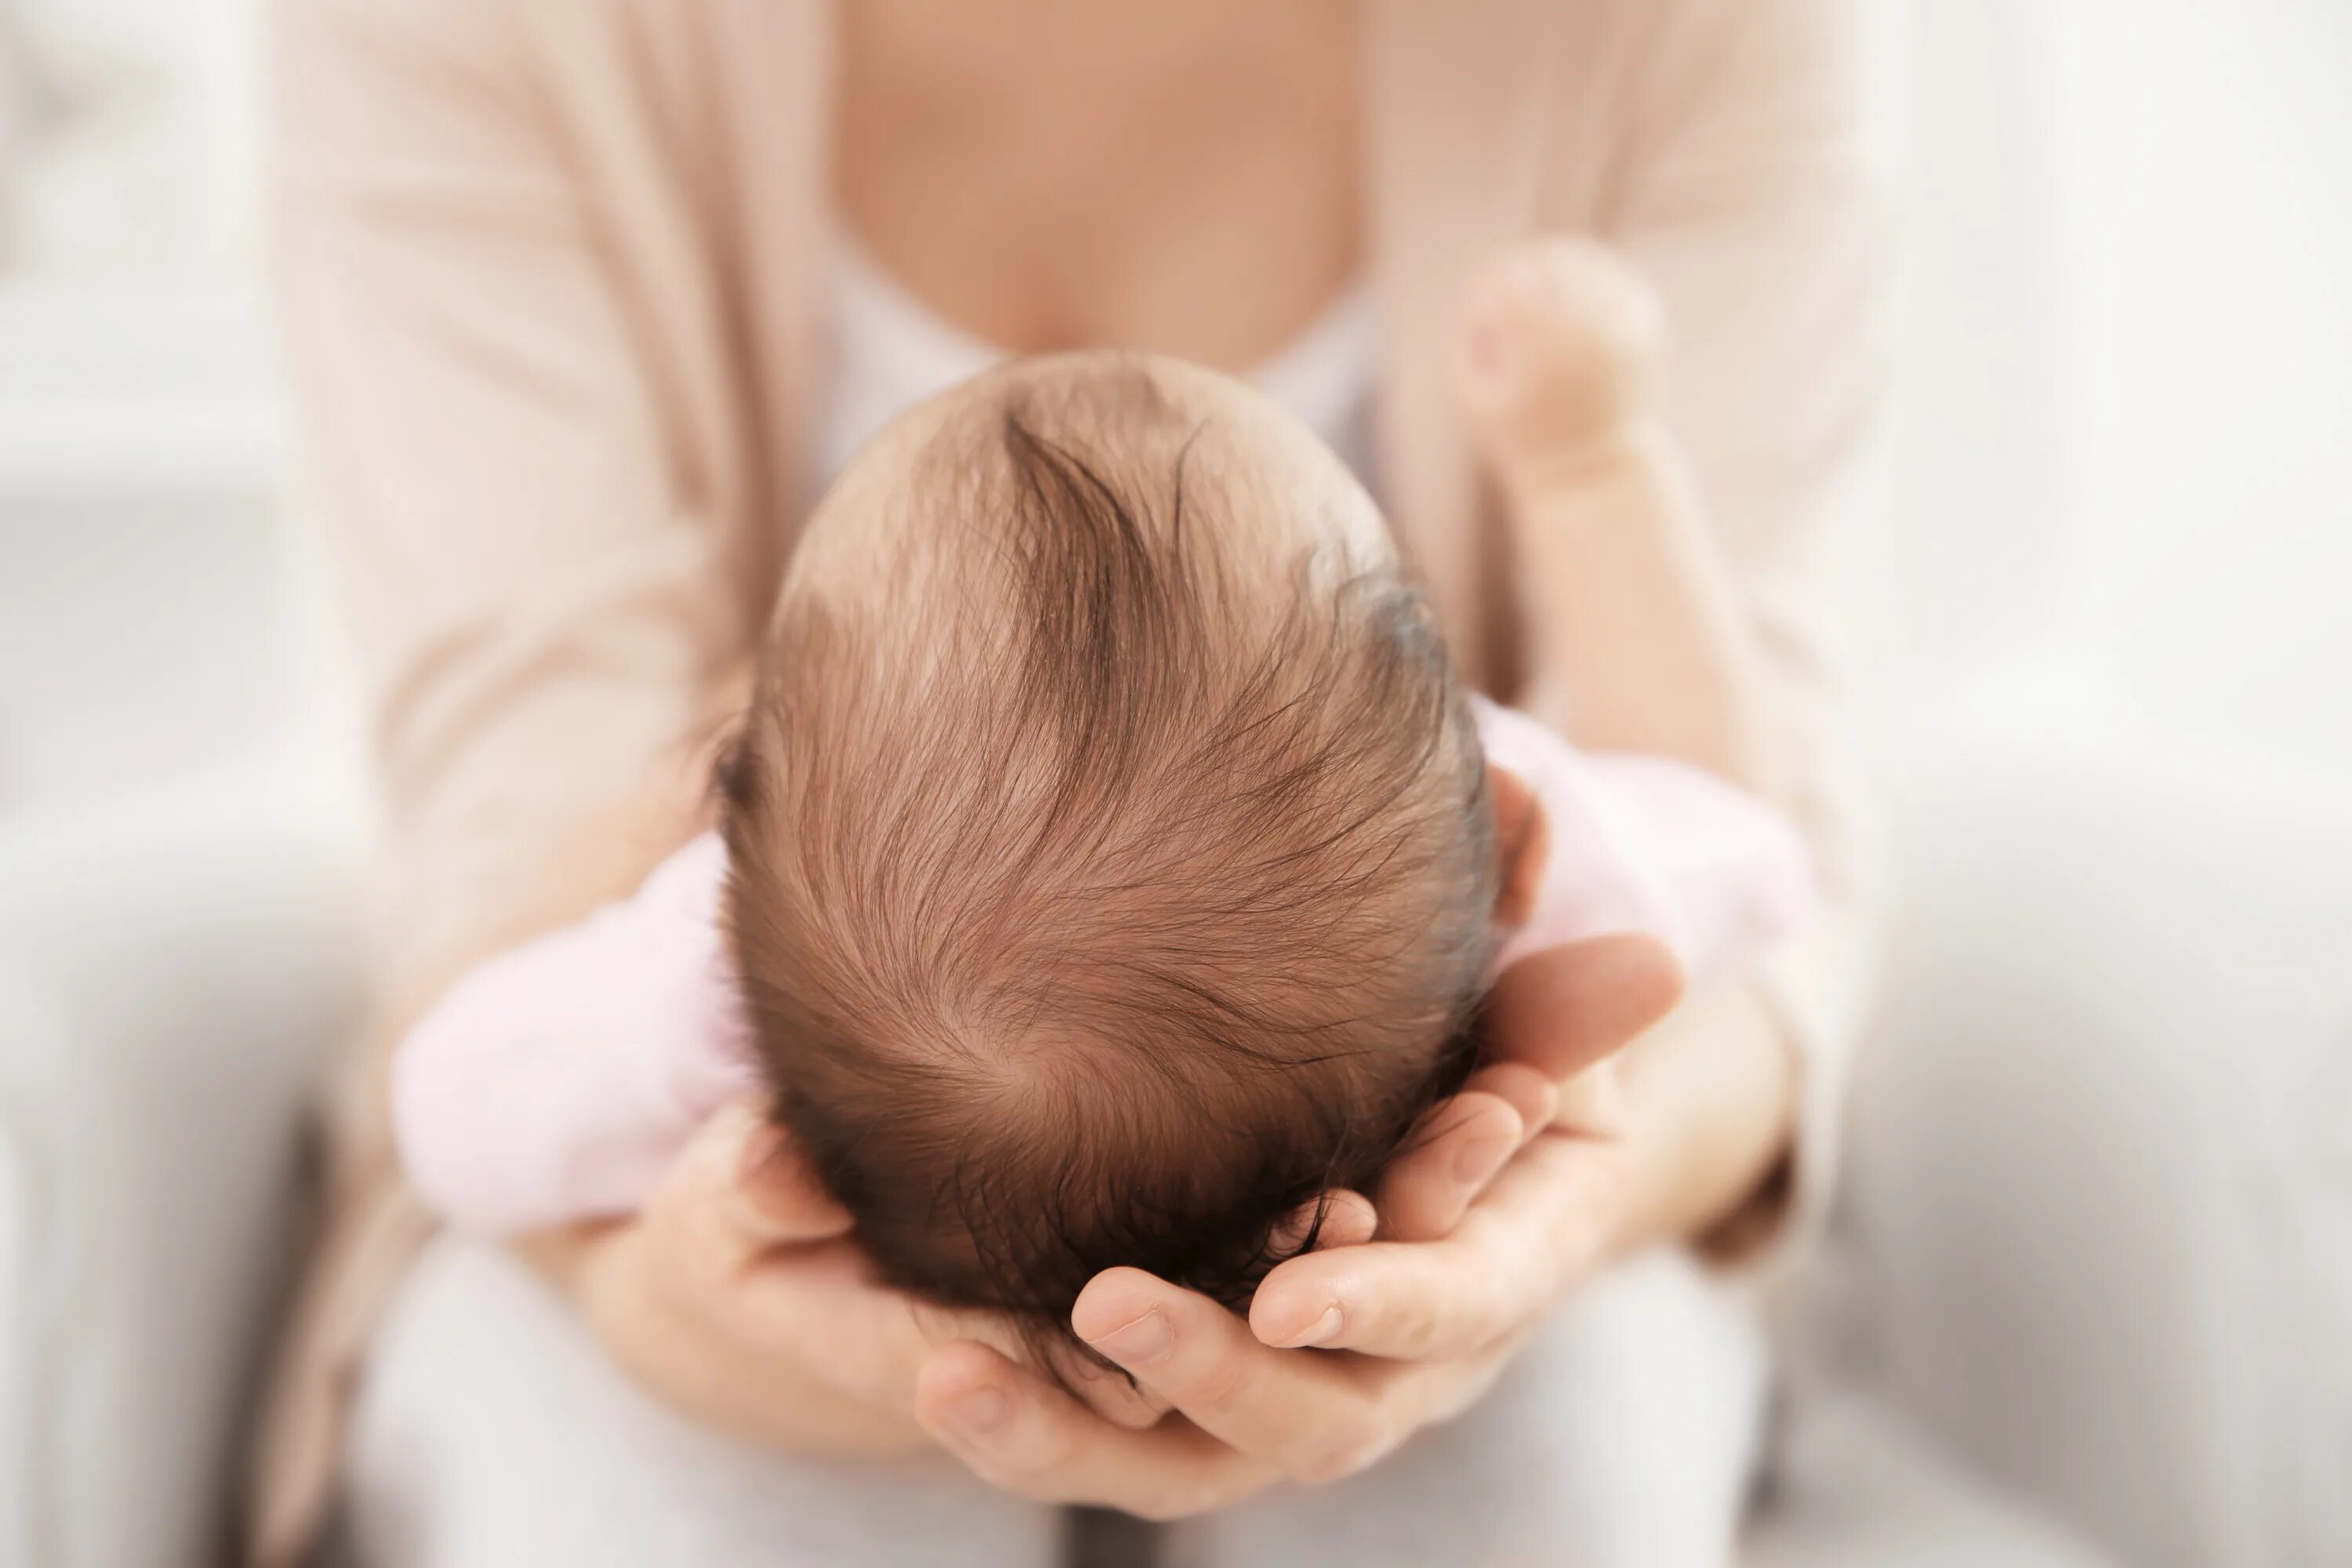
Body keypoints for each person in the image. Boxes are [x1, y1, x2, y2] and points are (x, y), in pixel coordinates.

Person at [252, 1, 1882, 1563]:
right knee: (722, 1504)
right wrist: (1594, 466)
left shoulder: (693, 970)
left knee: (1524, 1452)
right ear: (1515, 846)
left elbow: (462, 1086)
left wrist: (1556, 1236)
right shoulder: (1521, 845)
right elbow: (1744, 845)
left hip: (1062, 1231)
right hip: (1331, 1238)